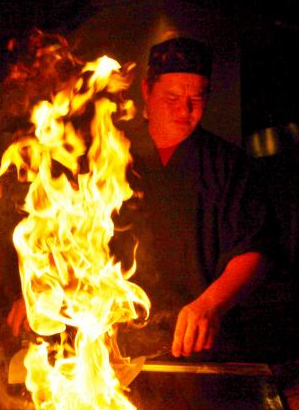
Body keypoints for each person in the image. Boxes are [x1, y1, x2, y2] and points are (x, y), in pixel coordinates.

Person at [116, 35, 274, 360]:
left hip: (204, 346)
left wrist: (210, 304)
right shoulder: (110, 157)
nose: (184, 110)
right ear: (146, 90)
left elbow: (255, 249)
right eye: (172, 97)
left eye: (196, 98)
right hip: (117, 348)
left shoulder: (229, 164)